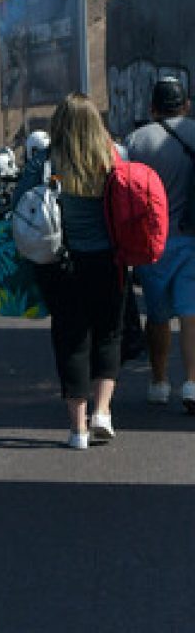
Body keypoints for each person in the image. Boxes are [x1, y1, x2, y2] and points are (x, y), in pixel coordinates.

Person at [15, 94, 124, 449]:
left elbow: (20, 203)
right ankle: (103, 413)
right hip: (108, 261)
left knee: (71, 342)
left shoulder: (46, 162)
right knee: (108, 334)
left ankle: (78, 430)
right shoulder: (112, 159)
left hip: (61, 265)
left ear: (59, 123)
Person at [125, 76, 195, 412]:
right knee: (191, 313)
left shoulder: (137, 141)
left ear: (152, 108)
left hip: (151, 241)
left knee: (157, 315)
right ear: (186, 105)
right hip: (191, 237)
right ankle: (192, 384)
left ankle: (159, 382)